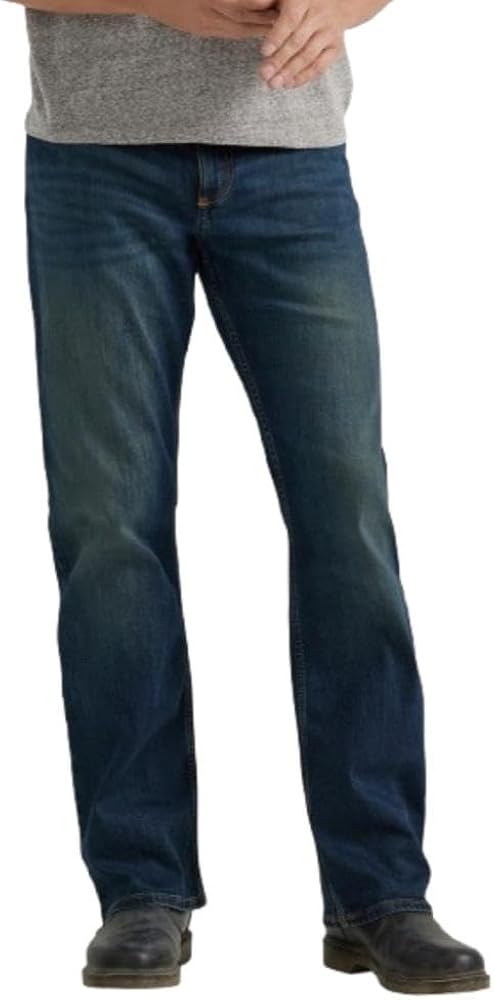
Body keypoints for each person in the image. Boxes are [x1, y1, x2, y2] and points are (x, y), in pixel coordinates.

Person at [3, 0, 489, 993]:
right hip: (95, 162)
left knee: (347, 515)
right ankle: (139, 888)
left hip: (291, 158)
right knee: (109, 526)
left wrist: (342, 2)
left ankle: (380, 891)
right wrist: (158, 2)